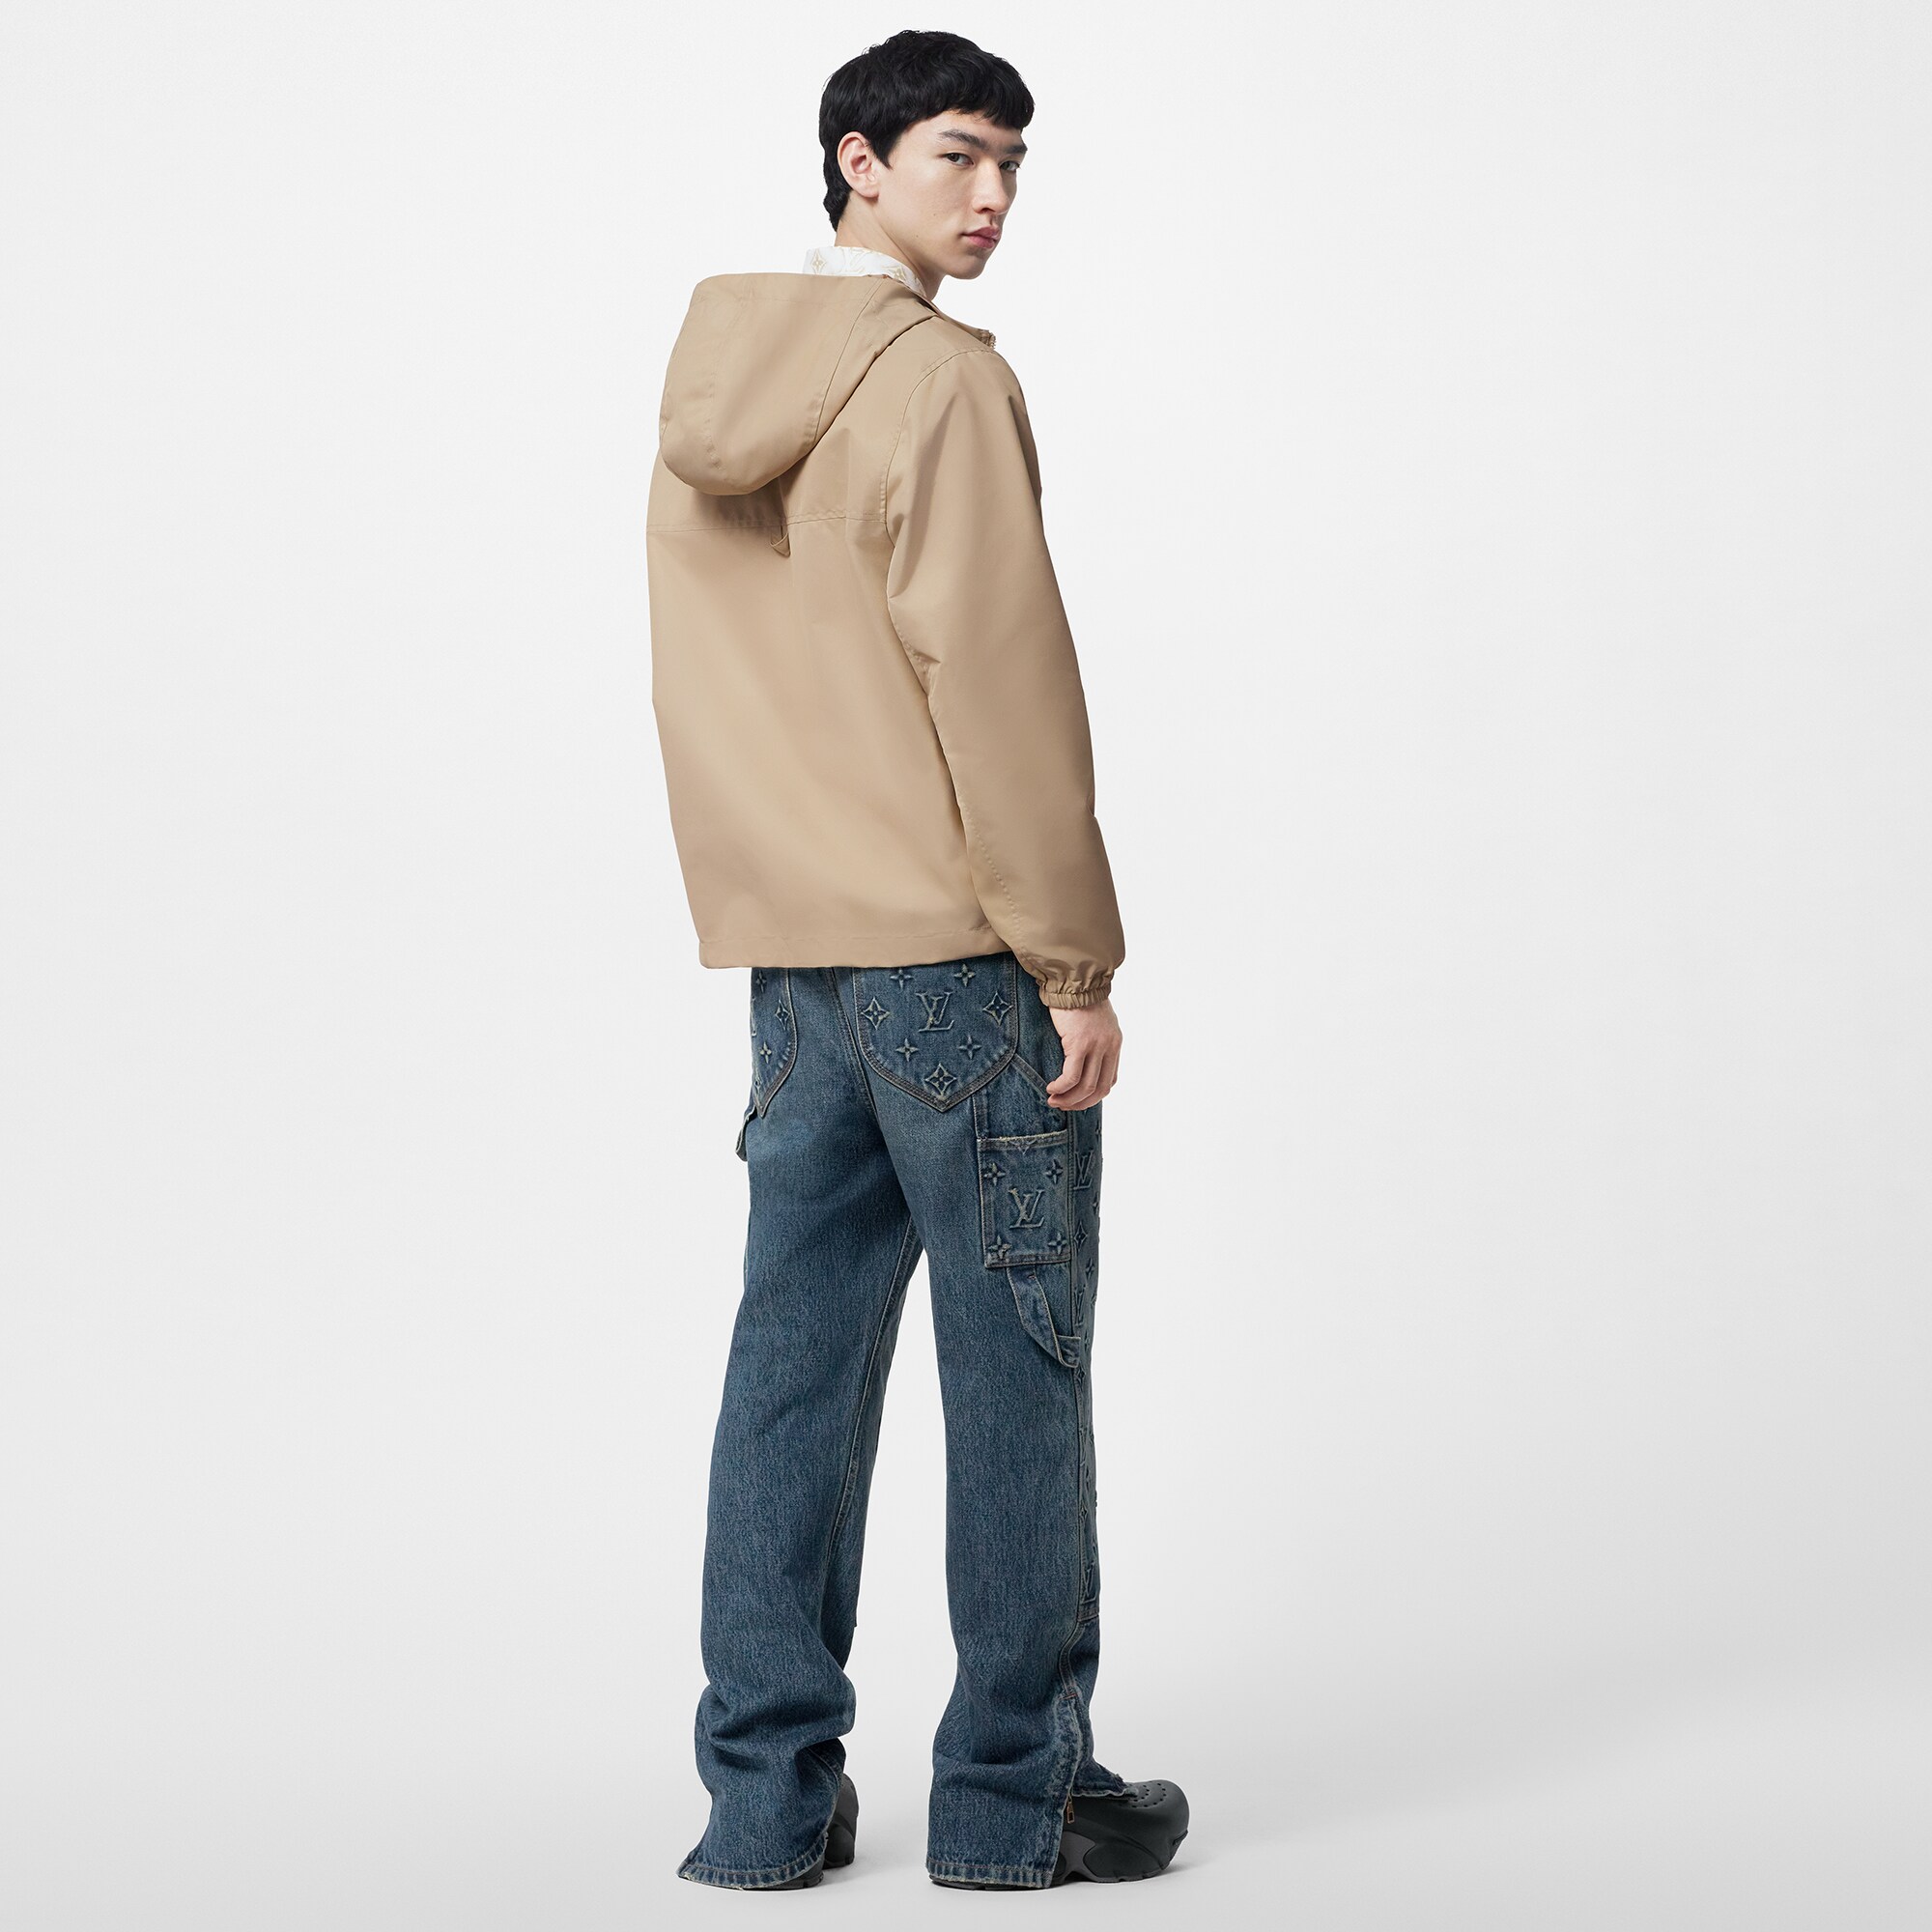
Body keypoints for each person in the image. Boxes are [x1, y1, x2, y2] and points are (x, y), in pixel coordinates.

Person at [645, 29, 1187, 1892]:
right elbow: (1001, 685)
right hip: (957, 961)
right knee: (1018, 1366)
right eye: (960, 154)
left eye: (1015, 164)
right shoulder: (943, 380)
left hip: (796, 970)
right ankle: (1016, 1794)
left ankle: (764, 1803)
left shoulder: (713, 378)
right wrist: (1075, 963)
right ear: (856, 160)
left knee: (791, 1368)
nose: (995, 196)